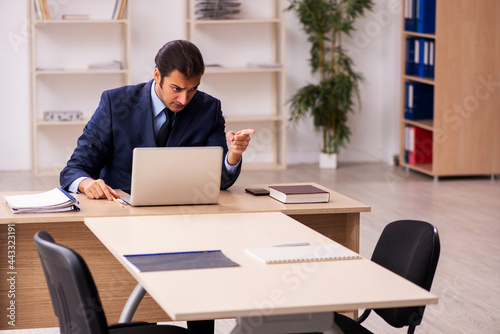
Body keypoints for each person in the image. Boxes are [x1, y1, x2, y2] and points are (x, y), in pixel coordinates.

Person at [60, 39, 254, 202]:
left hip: (184, 213)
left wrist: (234, 155)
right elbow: (75, 169)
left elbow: (218, 181)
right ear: (157, 75)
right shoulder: (116, 104)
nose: (184, 100)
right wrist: (87, 184)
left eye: (192, 89)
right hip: (121, 210)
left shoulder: (209, 109)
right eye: (176, 88)